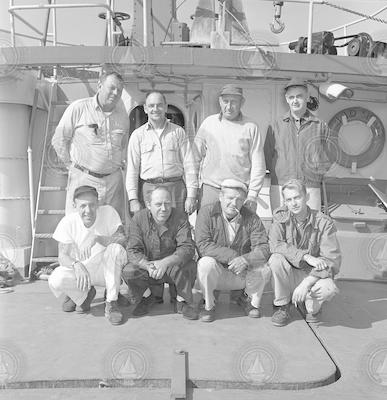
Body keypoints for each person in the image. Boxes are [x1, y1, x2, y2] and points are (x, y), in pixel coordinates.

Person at [52, 71, 129, 221]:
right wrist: (71, 166)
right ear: (99, 85)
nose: (115, 93)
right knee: (80, 227)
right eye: (111, 88)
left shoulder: (122, 115)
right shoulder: (79, 108)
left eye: (119, 90)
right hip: (84, 179)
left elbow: (123, 145)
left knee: (112, 227)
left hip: (113, 182)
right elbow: (59, 139)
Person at [48, 185, 128, 325]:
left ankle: (111, 302)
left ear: (98, 202)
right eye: (83, 206)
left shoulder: (109, 212)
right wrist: (76, 264)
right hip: (83, 273)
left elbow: (122, 241)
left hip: (108, 271)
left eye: (92, 205)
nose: (88, 211)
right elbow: (62, 256)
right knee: (56, 278)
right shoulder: (68, 222)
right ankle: (83, 296)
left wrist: (96, 238)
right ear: (74, 205)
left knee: (115, 249)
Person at [195, 179, 271, 322]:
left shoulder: (252, 218)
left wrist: (246, 260)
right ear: (220, 197)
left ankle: (249, 300)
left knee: (264, 268)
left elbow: (263, 247)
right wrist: (234, 257)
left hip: (241, 272)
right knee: (205, 263)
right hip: (218, 271)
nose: (234, 204)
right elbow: (203, 244)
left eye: (239, 200)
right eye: (230, 198)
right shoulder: (206, 212)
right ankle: (208, 304)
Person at [268, 179, 341, 327]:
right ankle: (282, 305)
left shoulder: (324, 223)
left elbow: (332, 261)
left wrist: (306, 283)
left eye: (297, 197)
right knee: (275, 259)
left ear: (306, 197)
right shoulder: (280, 218)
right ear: (285, 202)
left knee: (329, 289)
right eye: (289, 199)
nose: (293, 203)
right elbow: (275, 244)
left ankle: (311, 306)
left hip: (312, 275)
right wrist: (305, 257)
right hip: (290, 273)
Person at [123, 186, 198, 320]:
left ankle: (181, 300)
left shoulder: (180, 218)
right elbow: (132, 250)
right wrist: (146, 265)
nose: (163, 208)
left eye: (167, 203)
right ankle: (147, 297)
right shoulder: (138, 219)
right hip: (149, 267)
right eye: (158, 204)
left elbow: (187, 248)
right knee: (129, 270)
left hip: (172, 266)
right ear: (148, 205)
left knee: (190, 266)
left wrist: (164, 263)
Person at [194, 84, 266, 212]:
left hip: (239, 193)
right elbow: (194, 158)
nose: (229, 106)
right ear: (220, 101)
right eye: (225, 101)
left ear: (242, 103)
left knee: (238, 231)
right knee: (206, 228)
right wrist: (192, 191)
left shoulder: (251, 127)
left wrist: (253, 195)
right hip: (211, 190)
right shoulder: (208, 123)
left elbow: (258, 164)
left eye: (234, 102)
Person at [264, 78, 332, 211]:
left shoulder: (320, 126)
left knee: (310, 227)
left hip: (310, 186)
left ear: (307, 97)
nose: (295, 100)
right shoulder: (275, 126)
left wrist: (315, 174)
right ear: (286, 99)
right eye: (292, 97)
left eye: (299, 96)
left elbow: (329, 156)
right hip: (281, 186)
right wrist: (280, 173)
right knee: (281, 225)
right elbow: (267, 155)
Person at [126, 91, 198, 215]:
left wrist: (191, 196)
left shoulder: (178, 132)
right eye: (151, 105)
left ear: (165, 107)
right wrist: (133, 199)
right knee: (150, 231)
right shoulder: (137, 135)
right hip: (149, 190)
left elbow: (189, 165)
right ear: (145, 109)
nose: (155, 109)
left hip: (176, 189)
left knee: (178, 229)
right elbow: (132, 169)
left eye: (159, 105)